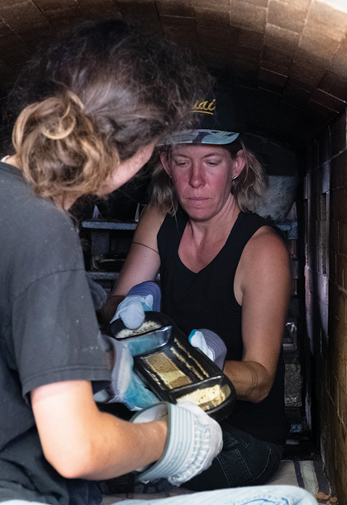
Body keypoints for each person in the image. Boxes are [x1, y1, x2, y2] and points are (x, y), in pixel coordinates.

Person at [0, 20, 314, 505]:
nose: (191, 177)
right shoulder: (41, 230)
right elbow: (77, 449)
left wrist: (112, 358)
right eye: (169, 155)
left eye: (210, 161)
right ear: (133, 150)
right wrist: (166, 438)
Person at [102, 90, 292, 491]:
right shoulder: (160, 219)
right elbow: (116, 306)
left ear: (237, 165)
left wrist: (190, 366)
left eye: (212, 162)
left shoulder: (262, 250)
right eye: (183, 161)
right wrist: (130, 310)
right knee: (76, 446)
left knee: (137, 475)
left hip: (241, 436)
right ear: (166, 164)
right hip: (165, 411)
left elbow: (259, 381)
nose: (196, 180)